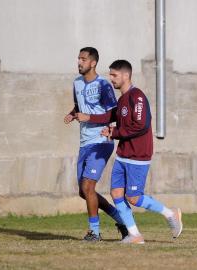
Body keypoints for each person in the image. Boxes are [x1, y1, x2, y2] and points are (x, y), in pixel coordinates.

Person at [101, 59, 183, 244]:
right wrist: (89, 118)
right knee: (116, 193)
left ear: (126, 75)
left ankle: (171, 213)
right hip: (123, 155)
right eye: (110, 74)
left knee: (133, 197)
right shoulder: (122, 99)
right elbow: (115, 120)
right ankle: (134, 235)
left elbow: (140, 125)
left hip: (138, 156)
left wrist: (114, 132)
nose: (111, 78)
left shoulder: (136, 96)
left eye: (114, 75)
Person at [64, 47, 128, 242]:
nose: (79, 62)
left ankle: (94, 232)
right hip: (84, 142)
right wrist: (73, 113)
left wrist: (89, 117)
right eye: (78, 58)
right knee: (84, 192)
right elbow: (79, 106)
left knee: (88, 186)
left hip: (101, 140)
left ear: (93, 63)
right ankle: (121, 219)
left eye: (83, 59)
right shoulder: (76, 83)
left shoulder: (103, 85)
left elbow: (114, 113)